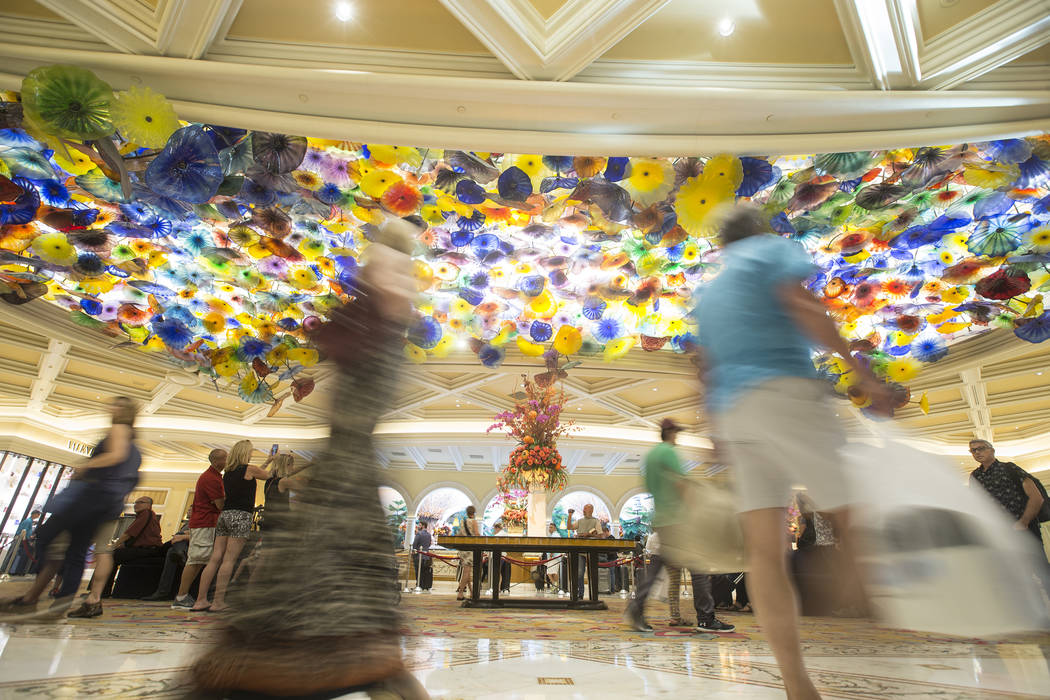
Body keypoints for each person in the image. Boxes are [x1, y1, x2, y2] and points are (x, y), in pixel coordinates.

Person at [190, 218, 428, 698]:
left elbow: (355, 386)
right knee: (349, 576)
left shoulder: (380, 300)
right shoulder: (389, 311)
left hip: (348, 460)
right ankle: (378, 668)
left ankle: (346, 663)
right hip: (350, 460)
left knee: (328, 569)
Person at [694, 204, 891, 699]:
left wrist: (716, 428)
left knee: (765, 555)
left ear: (721, 247)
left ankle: (795, 682)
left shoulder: (710, 292)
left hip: (737, 413)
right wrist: (860, 370)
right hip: (786, 392)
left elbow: (706, 367)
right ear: (759, 233)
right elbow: (803, 307)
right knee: (851, 510)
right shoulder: (772, 250)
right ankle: (854, 589)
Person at [0, 397, 142, 621]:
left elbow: (115, 455)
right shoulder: (135, 447)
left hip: (91, 498)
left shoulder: (119, 429)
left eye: (116, 405)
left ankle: (36, 599)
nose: (111, 407)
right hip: (107, 504)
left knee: (49, 538)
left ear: (123, 411)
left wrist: (86, 466)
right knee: (74, 550)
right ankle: (51, 601)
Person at [626, 419, 735, 633]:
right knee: (699, 566)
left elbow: (648, 486)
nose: (678, 437)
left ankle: (636, 609)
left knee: (657, 568)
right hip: (678, 519)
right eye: (676, 433)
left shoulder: (651, 456)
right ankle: (706, 617)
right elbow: (680, 483)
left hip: (662, 519)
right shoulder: (668, 452)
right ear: (671, 433)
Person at [191, 440, 271, 612]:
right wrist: (274, 462)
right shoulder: (250, 469)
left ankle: (201, 600)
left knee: (215, 558)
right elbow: (269, 476)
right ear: (245, 453)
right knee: (229, 560)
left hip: (225, 515)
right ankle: (219, 602)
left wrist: (267, 461)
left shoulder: (228, 472)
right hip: (241, 516)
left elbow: (255, 472)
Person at [80, 494, 163, 607]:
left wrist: (114, 546)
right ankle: (99, 591)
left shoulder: (146, 514)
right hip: (145, 549)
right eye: (135, 502)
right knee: (112, 555)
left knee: (110, 556)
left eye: (140, 502)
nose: (136, 505)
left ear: (149, 505)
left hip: (148, 550)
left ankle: (100, 591)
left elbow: (129, 533)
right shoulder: (145, 516)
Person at [171, 449, 226, 610]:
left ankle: (184, 596)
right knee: (196, 559)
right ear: (217, 461)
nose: (228, 461)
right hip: (205, 522)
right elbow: (220, 504)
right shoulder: (211, 478)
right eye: (225, 459)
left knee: (199, 560)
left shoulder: (214, 477)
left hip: (205, 522)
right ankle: (181, 597)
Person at [968, 439, 1046, 539]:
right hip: (997, 534)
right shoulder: (975, 476)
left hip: (1024, 531)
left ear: (992, 450)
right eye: (973, 450)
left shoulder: (1009, 468)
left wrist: (1023, 522)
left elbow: (1036, 498)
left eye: (981, 448)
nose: (977, 452)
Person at [142, 523, 191, 601]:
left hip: (196, 547)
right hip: (181, 546)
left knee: (174, 544)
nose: (189, 511)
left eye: (191, 509)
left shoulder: (204, 519)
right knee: (171, 551)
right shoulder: (188, 523)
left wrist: (183, 536)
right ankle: (180, 553)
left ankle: (162, 592)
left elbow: (202, 536)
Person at [567, 504, 601, 598]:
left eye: (586, 508)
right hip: (580, 550)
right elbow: (569, 527)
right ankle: (580, 594)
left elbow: (600, 535)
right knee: (579, 573)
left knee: (592, 573)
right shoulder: (580, 521)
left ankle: (593, 595)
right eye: (584, 508)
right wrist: (570, 515)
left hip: (591, 550)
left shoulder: (596, 521)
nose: (584, 510)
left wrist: (588, 535)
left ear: (591, 510)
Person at [456, 506, 480, 601]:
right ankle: (460, 593)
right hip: (470, 549)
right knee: (466, 572)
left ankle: (472, 592)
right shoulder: (473, 521)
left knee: (467, 571)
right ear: (474, 512)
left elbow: (459, 534)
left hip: (463, 549)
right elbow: (477, 534)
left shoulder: (463, 522)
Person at [7, 508, 40, 575]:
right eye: (38, 514)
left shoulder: (29, 521)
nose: (38, 516)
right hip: (23, 541)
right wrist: (29, 538)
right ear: (35, 514)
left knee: (20, 556)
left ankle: (15, 570)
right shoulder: (28, 521)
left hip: (24, 540)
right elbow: (24, 532)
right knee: (20, 556)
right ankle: (15, 571)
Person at [412, 522, 433, 592]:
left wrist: (414, 553)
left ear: (423, 526)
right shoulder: (429, 535)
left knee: (418, 571)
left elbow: (414, 545)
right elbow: (429, 544)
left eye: (419, 525)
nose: (418, 526)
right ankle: (424, 585)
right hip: (426, 556)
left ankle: (419, 585)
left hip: (418, 555)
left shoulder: (419, 534)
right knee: (424, 571)